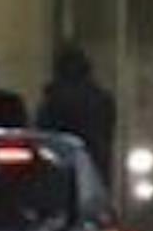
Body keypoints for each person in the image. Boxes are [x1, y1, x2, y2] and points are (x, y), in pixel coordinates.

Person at [35, 41, 117, 178]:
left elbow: (43, 133)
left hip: (61, 165)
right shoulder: (101, 98)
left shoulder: (54, 98)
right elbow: (107, 130)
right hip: (94, 162)